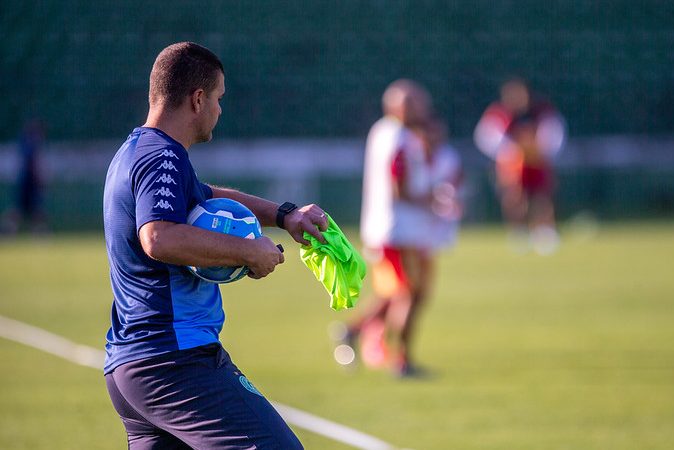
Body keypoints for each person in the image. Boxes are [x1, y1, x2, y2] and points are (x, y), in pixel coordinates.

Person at [102, 42, 328, 449]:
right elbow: (158, 236)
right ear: (198, 98)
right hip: (175, 361)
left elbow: (206, 195)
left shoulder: (138, 151)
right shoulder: (162, 157)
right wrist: (250, 251)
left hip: (134, 367)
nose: (220, 110)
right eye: (219, 98)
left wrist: (284, 215)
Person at [335, 79, 434, 377]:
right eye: (416, 102)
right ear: (400, 106)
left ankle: (352, 331)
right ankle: (402, 361)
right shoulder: (400, 137)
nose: (423, 108)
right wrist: (430, 199)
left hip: (385, 227)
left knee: (395, 293)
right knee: (409, 293)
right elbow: (399, 187)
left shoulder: (382, 131)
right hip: (398, 229)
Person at [475, 79, 565, 254]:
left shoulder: (540, 111)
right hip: (512, 164)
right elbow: (486, 137)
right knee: (515, 198)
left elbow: (554, 133)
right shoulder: (500, 114)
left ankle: (544, 232)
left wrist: (540, 149)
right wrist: (511, 150)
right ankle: (519, 233)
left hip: (537, 161)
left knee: (542, 197)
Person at [1, 119, 48, 234]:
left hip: (24, 183)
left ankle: (9, 229)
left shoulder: (25, 144)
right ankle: (38, 232)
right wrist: (39, 178)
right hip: (28, 184)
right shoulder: (31, 145)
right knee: (29, 210)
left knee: (26, 210)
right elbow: (32, 165)